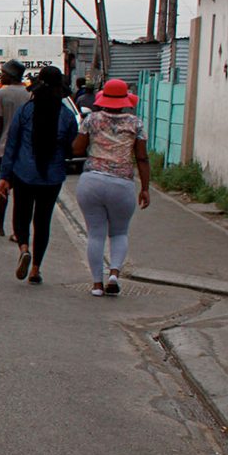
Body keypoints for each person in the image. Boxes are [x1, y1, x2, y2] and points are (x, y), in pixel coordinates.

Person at [0, 65, 79, 285]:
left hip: (24, 172)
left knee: (21, 215)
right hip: (52, 176)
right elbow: (72, 145)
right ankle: (35, 269)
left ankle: (24, 248)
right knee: (43, 222)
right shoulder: (67, 116)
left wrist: (4, 176)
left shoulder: (26, 111)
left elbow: (12, 144)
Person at [72, 78, 151, 297]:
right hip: (122, 183)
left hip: (92, 181)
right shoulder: (136, 123)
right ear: (126, 99)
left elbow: (77, 149)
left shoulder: (91, 120)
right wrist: (145, 188)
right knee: (119, 232)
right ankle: (114, 274)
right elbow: (142, 158)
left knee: (95, 234)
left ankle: (97, 284)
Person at [0, 60, 29, 238]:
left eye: (2, 73)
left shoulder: (0, 94)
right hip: (24, 150)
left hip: (4, 148)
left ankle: (0, 226)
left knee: (3, 188)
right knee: (21, 193)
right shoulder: (29, 94)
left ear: (10, 75)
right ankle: (18, 231)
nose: (0, 76)